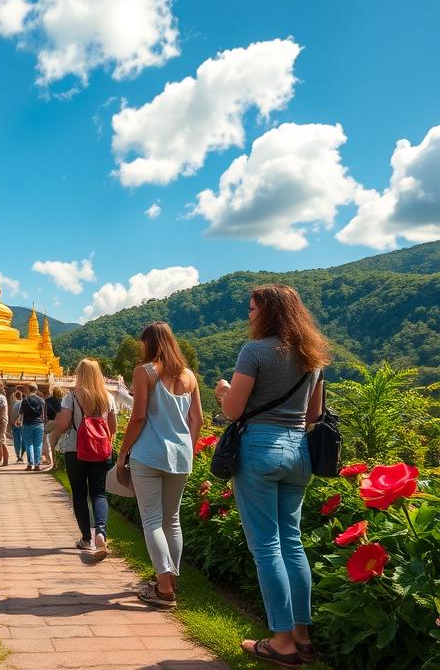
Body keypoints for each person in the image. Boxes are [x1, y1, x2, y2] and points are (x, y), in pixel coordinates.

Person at [215, 284, 327, 667]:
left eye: (252, 309)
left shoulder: (255, 351)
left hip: (260, 448)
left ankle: (280, 642)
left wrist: (225, 391)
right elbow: (313, 416)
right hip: (299, 452)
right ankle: (302, 636)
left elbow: (232, 411)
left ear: (268, 313)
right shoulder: (313, 358)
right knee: (292, 543)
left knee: (266, 547)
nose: (249, 315)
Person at [117, 322, 203, 608]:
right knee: (172, 520)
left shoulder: (145, 372)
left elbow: (138, 418)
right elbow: (197, 420)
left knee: (152, 520)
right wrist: (186, 447)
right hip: (180, 456)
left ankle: (164, 588)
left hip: (149, 454)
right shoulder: (189, 376)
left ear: (149, 344)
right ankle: (170, 581)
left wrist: (122, 454)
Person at [51, 358, 118, 557]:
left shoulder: (71, 397)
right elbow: (113, 428)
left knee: (79, 495)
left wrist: (62, 421)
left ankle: (86, 539)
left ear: (79, 374)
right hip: (100, 450)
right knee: (99, 493)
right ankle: (101, 533)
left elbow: (62, 426)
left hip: (76, 450)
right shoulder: (108, 397)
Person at [20, 383, 46, 471]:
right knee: (38, 444)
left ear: (28, 389)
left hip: (27, 424)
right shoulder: (41, 400)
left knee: (29, 445)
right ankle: (37, 465)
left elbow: (21, 412)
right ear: (36, 390)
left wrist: (18, 420)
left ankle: (30, 464)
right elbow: (43, 414)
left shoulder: (25, 400)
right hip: (39, 424)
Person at [43, 386, 65, 468]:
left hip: (51, 423)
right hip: (61, 423)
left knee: (52, 445)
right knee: (61, 444)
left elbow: (45, 414)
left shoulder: (47, 401)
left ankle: (54, 464)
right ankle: (60, 464)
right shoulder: (63, 401)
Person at [11, 389, 25, 462]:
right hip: (23, 424)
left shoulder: (15, 404)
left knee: (17, 440)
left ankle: (18, 455)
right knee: (23, 440)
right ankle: (21, 455)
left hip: (16, 425)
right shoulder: (24, 403)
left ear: (15, 396)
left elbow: (13, 416)